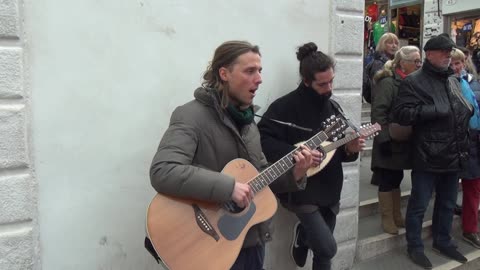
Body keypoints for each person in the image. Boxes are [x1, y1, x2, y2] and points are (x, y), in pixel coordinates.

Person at [149, 40, 316, 270]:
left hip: (250, 240)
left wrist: (295, 174)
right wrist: (228, 187)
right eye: (250, 71)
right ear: (224, 73)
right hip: (209, 247)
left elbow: (257, 178)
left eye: (260, 71)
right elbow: (163, 170)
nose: (259, 78)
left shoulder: (248, 123)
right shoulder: (190, 116)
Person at [258, 42, 365, 270]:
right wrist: (298, 154)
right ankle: (304, 236)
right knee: (327, 247)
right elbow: (262, 139)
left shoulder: (334, 107)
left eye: (331, 81)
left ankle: (306, 238)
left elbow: (335, 150)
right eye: (322, 84)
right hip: (300, 191)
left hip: (330, 188)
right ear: (306, 81)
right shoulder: (284, 107)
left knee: (322, 256)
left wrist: (350, 149)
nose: (329, 88)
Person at [392, 33, 472, 269]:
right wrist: (432, 110)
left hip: (453, 152)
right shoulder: (413, 81)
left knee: (448, 203)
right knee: (419, 204)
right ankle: (414, 246)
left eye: (450, 51)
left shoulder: (452, 79)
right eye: (444, 51)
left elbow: (457, 110)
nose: (449, 55)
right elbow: (401, 114)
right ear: (430, 54)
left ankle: (443, 240)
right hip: (426, 155)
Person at [370, 46, 422, 235]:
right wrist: (383, 139)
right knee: (387, 179)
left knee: (397, 178)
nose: (419, 64)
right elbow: (378, 112)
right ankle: (387, 218)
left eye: (419, 61)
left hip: (402, 141)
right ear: (403, 63)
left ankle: (396, 215)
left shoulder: (411, 82)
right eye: (415, 61)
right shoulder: (389, 83)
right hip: (389, 140)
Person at [450, 49, 480, 249]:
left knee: (473, 187)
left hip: (474, 141)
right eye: (452, 63)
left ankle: (470, 228)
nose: (456, 67)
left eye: (459, 63)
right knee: (447, 187)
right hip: (451, 142)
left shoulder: (474, 83)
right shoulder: (442, 84)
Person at [362, 32, 399, 105]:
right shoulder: (378, 64)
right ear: (383, 45)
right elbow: (377, 90)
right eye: (390, 43)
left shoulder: (395, 63)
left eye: (396, 43)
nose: (394, 46)